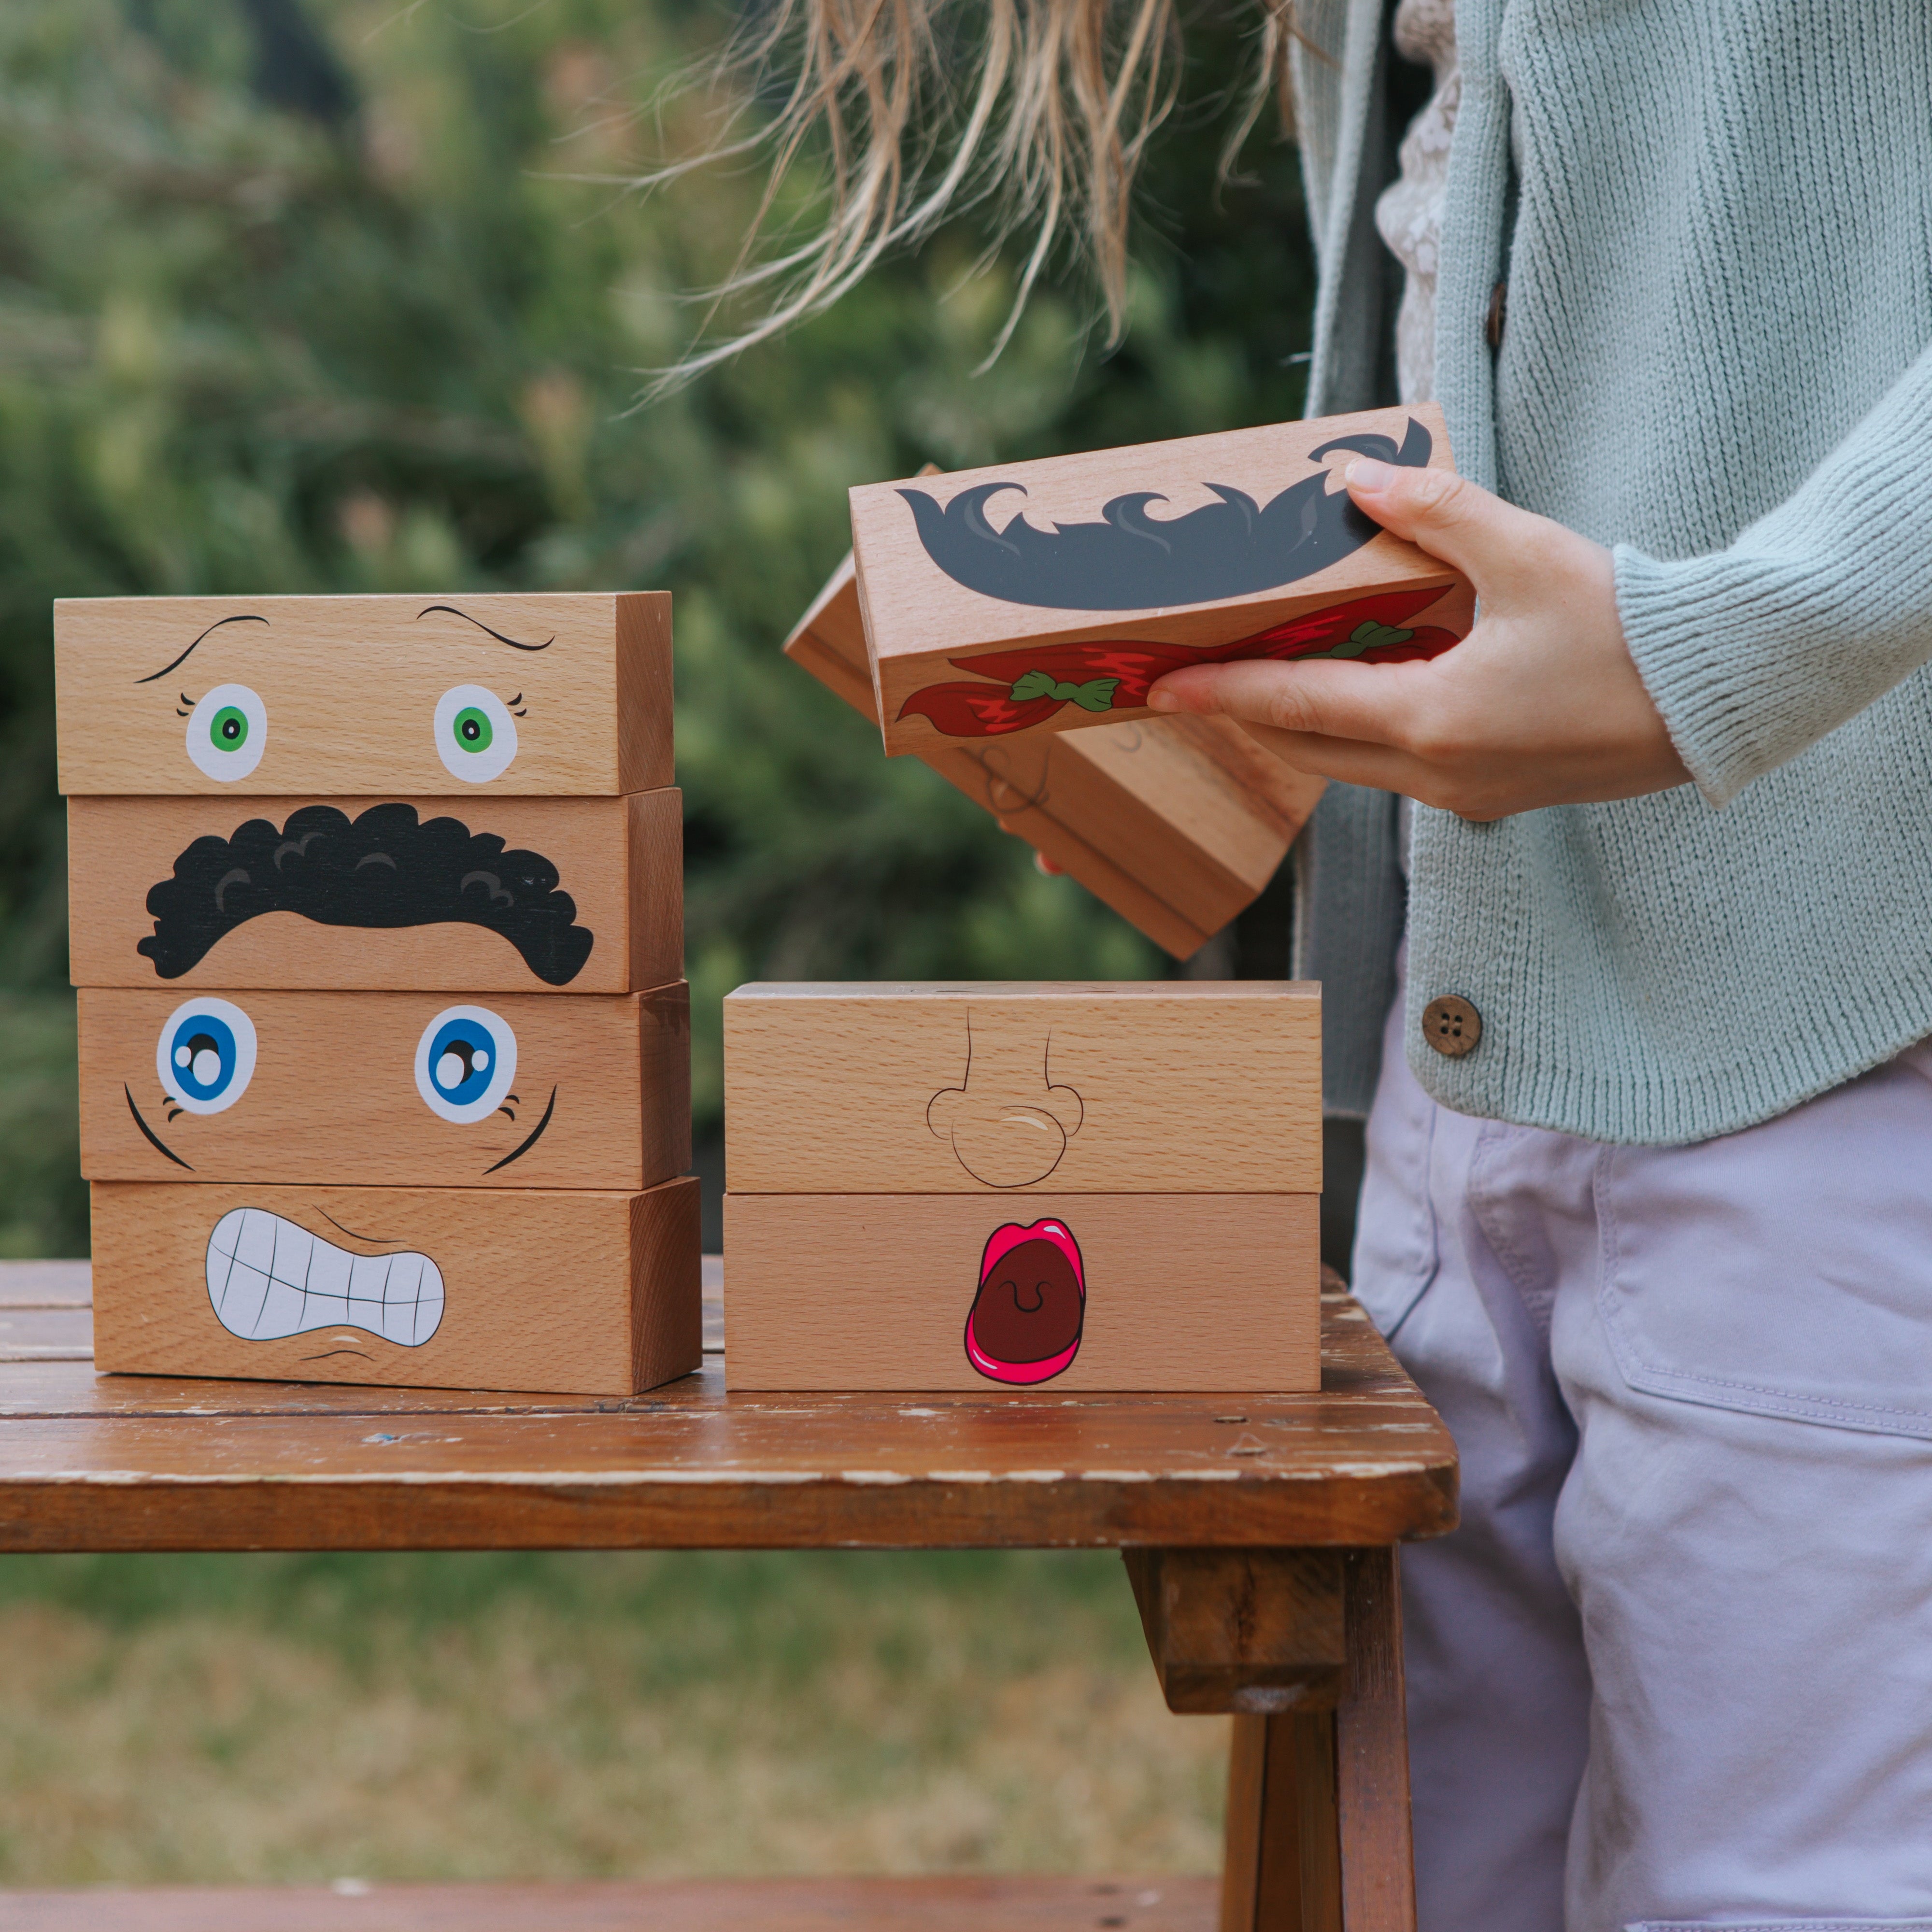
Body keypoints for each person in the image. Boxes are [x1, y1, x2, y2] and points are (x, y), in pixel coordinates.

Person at [694, 3, 1932, 1924]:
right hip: (1463, 1087)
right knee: (1420, 1884)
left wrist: (1733, 643)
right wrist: (1242, 655)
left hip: (1847, 1039)